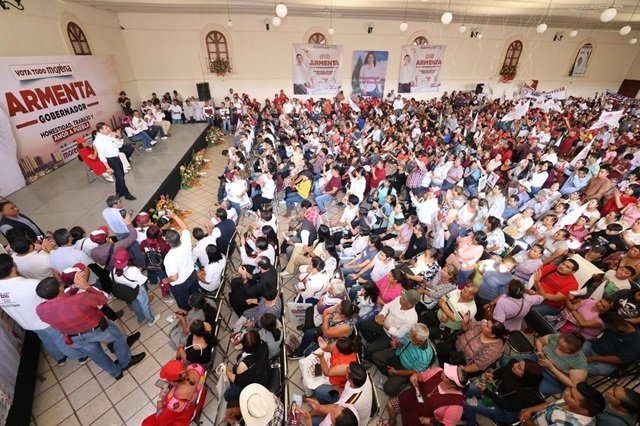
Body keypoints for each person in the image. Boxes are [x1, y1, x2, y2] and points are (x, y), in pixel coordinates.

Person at [35, 271, 145, 379]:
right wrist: (86, 286)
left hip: (74, 337)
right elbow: (102, 299)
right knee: (118, 338)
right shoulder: (81, 298)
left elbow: (61, 302)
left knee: (97, 356)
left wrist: (74, 288)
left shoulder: (40, 309)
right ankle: (126, 362)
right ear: (60, 288)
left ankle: (116, 373)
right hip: (98, 329)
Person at [0, 254, 87, 366]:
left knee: (46, 339)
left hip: (26, 323)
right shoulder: (31, 284)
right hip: (46, 320)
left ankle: (60, 358)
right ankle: (79, 356)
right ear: (13, 267)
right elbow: (53, 298)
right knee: (60, 339)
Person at [463, 359, 544, 426]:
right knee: (468, 387)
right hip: (496, 392)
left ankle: (471, 423)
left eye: (519, 367)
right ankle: (465, 410)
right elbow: (503, 371)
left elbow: (508, 406)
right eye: (518, 362)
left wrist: (486, 392)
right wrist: (493, 375)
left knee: (469, 404)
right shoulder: (513, 365)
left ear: (526, 377)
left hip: (506, 411)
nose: (515, 365)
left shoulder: (529, 394)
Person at [383, 364, 467, 426]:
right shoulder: (438, 371)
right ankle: (392, 421)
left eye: (447, 374)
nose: (444, 371)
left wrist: (426, 420)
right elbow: (421, 376)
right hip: (412, 398)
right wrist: (416, 377)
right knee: (390, 405)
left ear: (452, 384)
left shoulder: (456, 406)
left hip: (422, 418)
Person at [372, 323, 434, 397]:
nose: (410, 338)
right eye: (410, 335)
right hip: (398, 353)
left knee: (389, 389)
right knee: (375, 357)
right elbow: (403, 341)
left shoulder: (425, 356)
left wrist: (395, 372)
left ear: (421, 341)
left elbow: (414, 371)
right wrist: (397, 343)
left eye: (413, 339)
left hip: (406, 369)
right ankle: (390, 373)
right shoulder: (411, 334)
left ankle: (394, 376)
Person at [357, 290, 420, 362]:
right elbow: (387, 306)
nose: (400, 298)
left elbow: (399, 334)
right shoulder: (398, 299)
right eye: (402, 296)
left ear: (409, 304)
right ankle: (372, 341)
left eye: (403, 299)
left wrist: (383, 324)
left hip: (390, 336)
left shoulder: (412, 318)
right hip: (382, 325)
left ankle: (369, 360)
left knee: (369, 350)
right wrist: (382, 315)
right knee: (363, 324)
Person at [306, 362, 373, 426]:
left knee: (313, 420)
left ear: (350, 380)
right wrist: (342, 389)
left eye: (347, 370)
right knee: (319, 391)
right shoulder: (360, 375)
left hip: (345, 420)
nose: (345, 368)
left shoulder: (351, 401)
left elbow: (333, 409)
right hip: (342, 404)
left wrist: (310, 415)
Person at [142, 359, 206, 426]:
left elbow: (161, 422)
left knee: (146, 423)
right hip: (196, 402)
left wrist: (160, 400)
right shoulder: (196, 367)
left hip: (182, 419)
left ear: (173, 382)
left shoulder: (177, 402)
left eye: (168, 380)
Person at [436, 316, 506, 374]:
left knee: (451, 373)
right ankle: (443, 368)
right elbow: (465, 328)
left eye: (487, 326)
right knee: (441, 347)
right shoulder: (481, 324)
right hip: (456, 345)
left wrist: (464, 369)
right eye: (486, 322)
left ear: (492, 335)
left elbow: (478, 366)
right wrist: (465, 322)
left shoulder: (495, 349)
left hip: (463, 361)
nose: (484, 324)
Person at [519, 382, 605, 425]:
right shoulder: (573, 404)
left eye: (572, 396)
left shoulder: (569, 424)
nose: (566, 393)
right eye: (570, 390)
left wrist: (527, 421)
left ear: (583, 411)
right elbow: (551, 404)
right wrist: (530, 410)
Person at [162, 211, 199, 311]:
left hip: (180, 284)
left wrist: (166, 280)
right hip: (192, 275)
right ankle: (197, 308)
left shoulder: (169, 257)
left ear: (167, 242)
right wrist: (174, 215)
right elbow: (185, 228)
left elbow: (174, 277)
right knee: (195, 297)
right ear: (179, 236)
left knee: (184, 303)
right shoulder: (185, 241)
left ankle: (189, 313)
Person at [111, 249, 158, 326]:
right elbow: (142, 281)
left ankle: (141, 319)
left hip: (127, 292)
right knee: (144, 305)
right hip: (138, 290)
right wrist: (139, 270)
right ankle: (151, 320)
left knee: (135, 304)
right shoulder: (132, 270)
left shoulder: (112, 270)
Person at [93, 122, 136, 200]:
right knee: (120, 177)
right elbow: (101, 155)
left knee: (121, 175)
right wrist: (108, 167)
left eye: (107, 127)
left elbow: (119, 145)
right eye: (106, 128)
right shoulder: (98, 140)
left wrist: (117, 136)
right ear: (100, 130)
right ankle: (127, 194)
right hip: (111, 160)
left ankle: (118, 192)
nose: (108, 129)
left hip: (117, 157)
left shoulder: (109, 135)